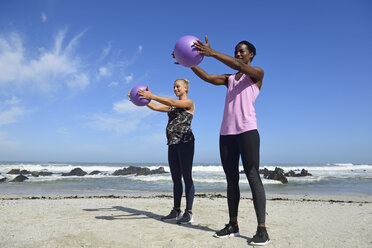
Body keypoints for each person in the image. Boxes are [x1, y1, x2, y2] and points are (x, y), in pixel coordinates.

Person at [183, 37, 270, 245]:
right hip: (226, 134)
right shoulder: (230, 79)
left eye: (242, 51)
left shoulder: (256, 74)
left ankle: (262, 230)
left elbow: (239, 65)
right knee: (231, 180)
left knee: (252, 176)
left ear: (251, 55)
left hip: (247, 131)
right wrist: (188, 62)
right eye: (236, 51)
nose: (238, 54)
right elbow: (206, 77)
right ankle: (233, 225)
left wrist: (212, 53)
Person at [135, 79, 195, 225]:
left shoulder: (189, 103)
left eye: (178, 86)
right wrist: (139, 99)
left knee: (187, 177)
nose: (175, 89)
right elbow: (154, 107)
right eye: (174, 87)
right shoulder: (171, 108)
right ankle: (176, 211)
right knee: (176, 179)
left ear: (185, 88)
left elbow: (172, 102)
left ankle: (189, 212)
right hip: (172, 144)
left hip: (186, 143)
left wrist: (151, 94)